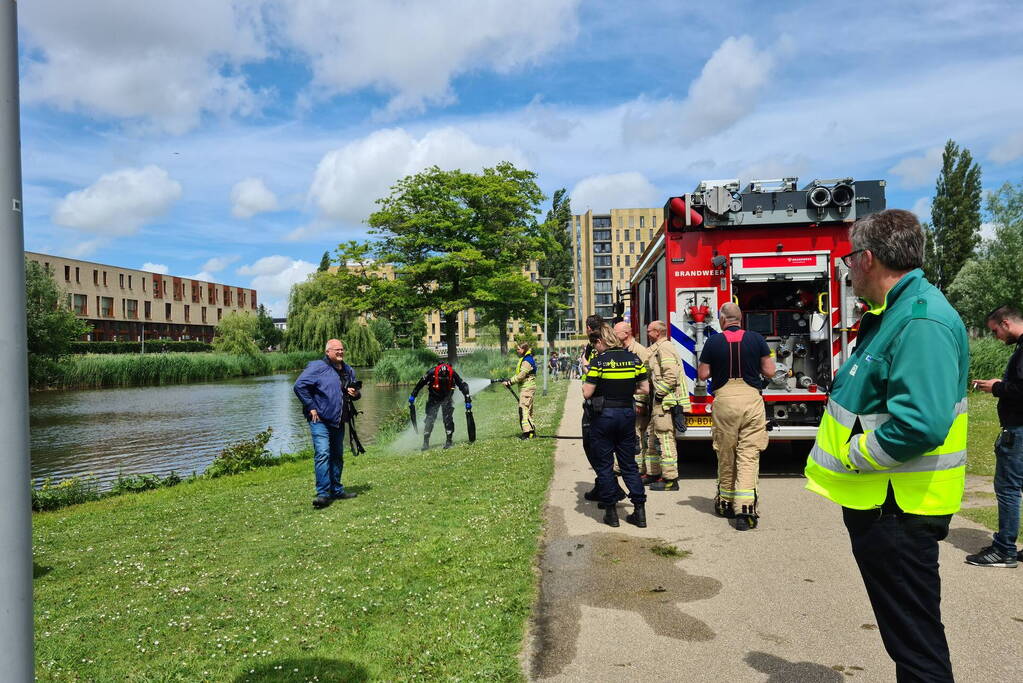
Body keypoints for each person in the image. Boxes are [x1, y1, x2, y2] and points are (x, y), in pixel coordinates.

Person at [804, 209, 969, 681]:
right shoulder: (895, 312)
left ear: (869, 258)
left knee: (916, 646)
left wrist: (857, 457)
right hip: (888, 504)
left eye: (850, 259)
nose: (848, 269)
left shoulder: (919, 320)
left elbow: (920, 422)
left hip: (897, 507)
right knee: (908, 638)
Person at [697, 302, 774, 530]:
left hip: (725, 401)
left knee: (726, 453)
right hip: (751, 400)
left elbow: (703, 374)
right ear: (740, 319)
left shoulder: (713, 341)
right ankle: (745, 511)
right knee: (748, 455)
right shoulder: (757, 339)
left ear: (722, 320)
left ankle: (725, 503)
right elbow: (769, 371)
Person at [967, 305, 1023, 568]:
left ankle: (1004, 550)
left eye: (994, 331)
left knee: (1008, 489)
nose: (995, 337)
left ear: (1006, 323)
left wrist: (996, 387)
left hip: (1018, 431)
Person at [582, 324, 650, 527]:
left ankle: (611, 513)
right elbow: (645, 389)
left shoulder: (599, 362)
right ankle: (639, 511)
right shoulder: (634, 359)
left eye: (597, 344)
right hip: (626, 415)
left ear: (602, 341)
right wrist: (626, 391)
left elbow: (587, 392)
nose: (596, 347)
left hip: (603, 416)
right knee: (629, 464)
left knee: (604, 464)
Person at [293, 339, 362, 509]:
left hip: (339, 419)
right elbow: (299, 386)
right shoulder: (317, 367)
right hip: (320, 420)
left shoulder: (348, 370)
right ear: (327, 352)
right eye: (336, 349)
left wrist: (355, 393)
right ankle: (323, 494)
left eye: (342, 349)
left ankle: (336, 490)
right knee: (323, 453)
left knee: (337, 455)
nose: (340, 352)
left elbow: (355, 393)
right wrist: (311, 407)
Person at [644, 320, 689, 491]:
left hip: (665, 402)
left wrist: (659, 393)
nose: (647, 333)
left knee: (665, 438)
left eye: (649, 331)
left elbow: (671, 375)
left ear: (657, 332)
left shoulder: (665, 348)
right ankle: (654, 473)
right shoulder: (659, 347)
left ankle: (671, 479)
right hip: (661, 402)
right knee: (652, 437)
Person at [613, 321, 658, 476]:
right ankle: (624, 465)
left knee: (637, 433)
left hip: (638, 398)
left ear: (626, 333)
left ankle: (638, 467)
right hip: (627, 399)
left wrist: (641, 401)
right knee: (627, 433)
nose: (614, 335)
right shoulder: (623, 349)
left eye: (616, 333)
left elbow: (645, 378)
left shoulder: (639, 351)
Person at [410, 362, 471, 451]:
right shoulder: (431, 372)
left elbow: (463, 386)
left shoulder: (452, 373)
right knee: (430, 419)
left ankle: (449, 441)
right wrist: (413, 395)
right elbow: (420, 384)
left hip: (447, 397)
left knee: (448, 419)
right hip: (433, 397)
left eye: (445, 379)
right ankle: (425, 443)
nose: (443, 381)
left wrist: (467, 399)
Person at [505, 341, 538, 439]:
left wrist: (510, 382)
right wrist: (509, 380)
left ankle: (527, 433)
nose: (517, 350)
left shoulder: (527, 360)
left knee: (523, 410)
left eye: (518, 349)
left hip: (527, 388)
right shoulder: (526, 359)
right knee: (527, 411)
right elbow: (520, 374)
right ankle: (531, 432)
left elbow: (522, 375)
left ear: (523, 349)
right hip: (527, 387)